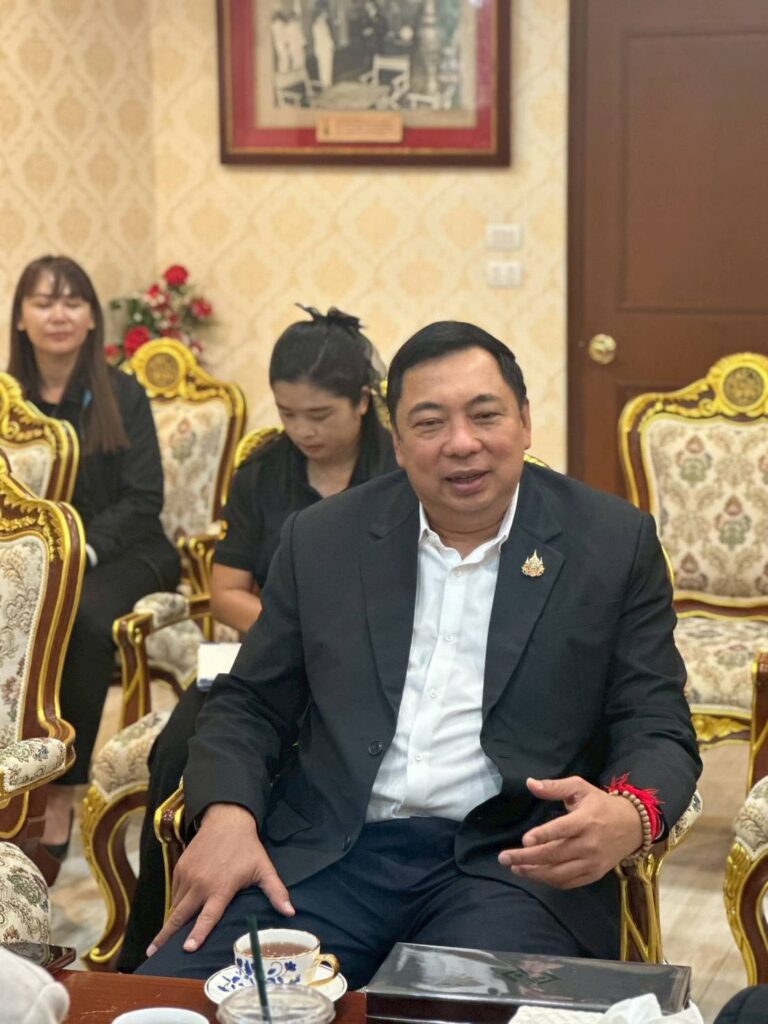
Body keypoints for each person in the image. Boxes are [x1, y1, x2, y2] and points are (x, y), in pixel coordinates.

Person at [138, 321, 701, 988]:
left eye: (485, 415)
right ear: (398, 443)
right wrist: (227, 814)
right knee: (175, 1000)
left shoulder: (611, 542)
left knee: (453, 1013)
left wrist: (631, 814)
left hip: (511, 868)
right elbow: (250, 701)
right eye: (430, 423)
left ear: (524, 421)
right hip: (327, 859)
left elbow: (655, 722)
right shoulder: (322, 539)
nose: (461, 443)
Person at [117, 305, 397, 971]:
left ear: (363, 402)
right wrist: (290, 630)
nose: (303, 431)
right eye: (288, 413)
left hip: (372, 666)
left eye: (320, 415)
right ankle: (157, 928)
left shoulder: (398, 469)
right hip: (269, 657)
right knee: (179, 745)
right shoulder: (265, 471)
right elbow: (227, 591)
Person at [8, 256, 180, 878]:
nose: (58, 314)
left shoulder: (121, 393)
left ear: (90, 319)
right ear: (21, 319)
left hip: (127, 552)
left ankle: (59, 790)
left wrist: (72, 549)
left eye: (72, 302)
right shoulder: (8, 400)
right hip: (30, 560)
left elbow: (143, 499)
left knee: (76, 617)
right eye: (44, 302)